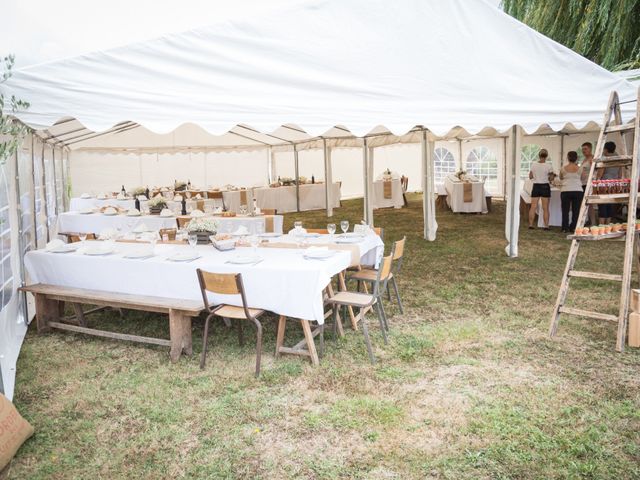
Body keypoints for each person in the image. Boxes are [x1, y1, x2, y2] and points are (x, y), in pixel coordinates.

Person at [528, 148, 555, 229]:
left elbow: (530, 176)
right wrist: (551, 177)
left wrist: (535, 178)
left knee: (533, 206)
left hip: (536, 186)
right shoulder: (549, 166)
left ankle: (531, 225)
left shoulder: (533, 165)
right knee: (545, 208)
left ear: (539, 156)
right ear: (546, 156)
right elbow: (551, 178)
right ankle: (546, 226)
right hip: (545, 186)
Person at [596, 141, 621, 224]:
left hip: (604, 184)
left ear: (606, 149)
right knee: (610, 205)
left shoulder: (605, 159)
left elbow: (600, 173)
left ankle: (601, 226)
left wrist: (596, 181)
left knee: (602, 204)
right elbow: (620, 174)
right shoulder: (619, 158)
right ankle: (608, 225)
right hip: (614, 183)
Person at [560, 151, 583, 232]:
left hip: (566, 190)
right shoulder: (580, 168)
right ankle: (574, 227)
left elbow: (561, 177)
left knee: (565, 210)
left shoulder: (563, 168)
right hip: (577, 190)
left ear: (568, 157)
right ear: (576, 158)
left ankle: (564, 228)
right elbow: (582, 178)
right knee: (576, 210)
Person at [580, 142, 596, 226]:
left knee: (589, 204)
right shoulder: (584, 160)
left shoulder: (592, 159)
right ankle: (586, 220)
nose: (583, 151)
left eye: (585, 149)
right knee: (585, 204)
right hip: (582, 183)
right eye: (582, 149)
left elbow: (595, 171)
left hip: (588, 184)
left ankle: (593, 222)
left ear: (590, 149)